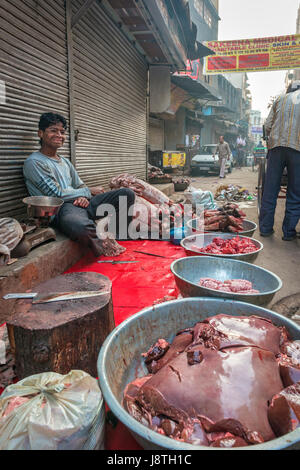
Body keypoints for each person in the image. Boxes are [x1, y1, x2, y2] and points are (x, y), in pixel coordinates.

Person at [23, 112, 136, 256]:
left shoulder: (64, 161)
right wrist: (87, 192)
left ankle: (121, 235)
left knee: (126, 194)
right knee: (81, 226)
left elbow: (80, 186)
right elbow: (55, 196)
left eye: (62, 132)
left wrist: (84, 197)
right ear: (40, 133)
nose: (59, 135)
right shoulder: (34, 162)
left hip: (78, 204)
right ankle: (104, 245)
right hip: (60, 210)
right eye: (53, 130)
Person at [259, 80, 300, 241]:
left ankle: (265, 229)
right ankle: (288, 232)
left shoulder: (279, 99)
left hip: (276, 148)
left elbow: (267, 124)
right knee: (295, 192)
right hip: (297, 150)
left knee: (270, 190)